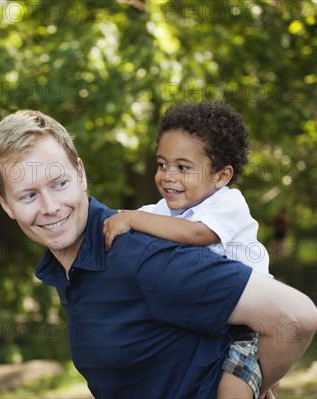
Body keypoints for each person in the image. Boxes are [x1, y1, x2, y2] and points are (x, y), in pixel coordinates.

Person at [0, 109, 317, 399]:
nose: (50, 207)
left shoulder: (142, 256)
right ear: (5, 204)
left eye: (59, 184)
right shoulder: (72, 264)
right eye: (29, 196)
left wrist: (256, 381)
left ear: (81, 174)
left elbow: (295, 317)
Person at [103, 101, 269, 398]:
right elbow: (121, 219)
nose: (168, 176)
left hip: (246, 330)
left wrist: (134, 218)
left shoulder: (228, 204)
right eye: (162, 164)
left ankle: (262, 378)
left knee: (231, 393)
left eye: (183, 167)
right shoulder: (160, 211)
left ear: (221, 176)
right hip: (201, 325)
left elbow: (196, 234)